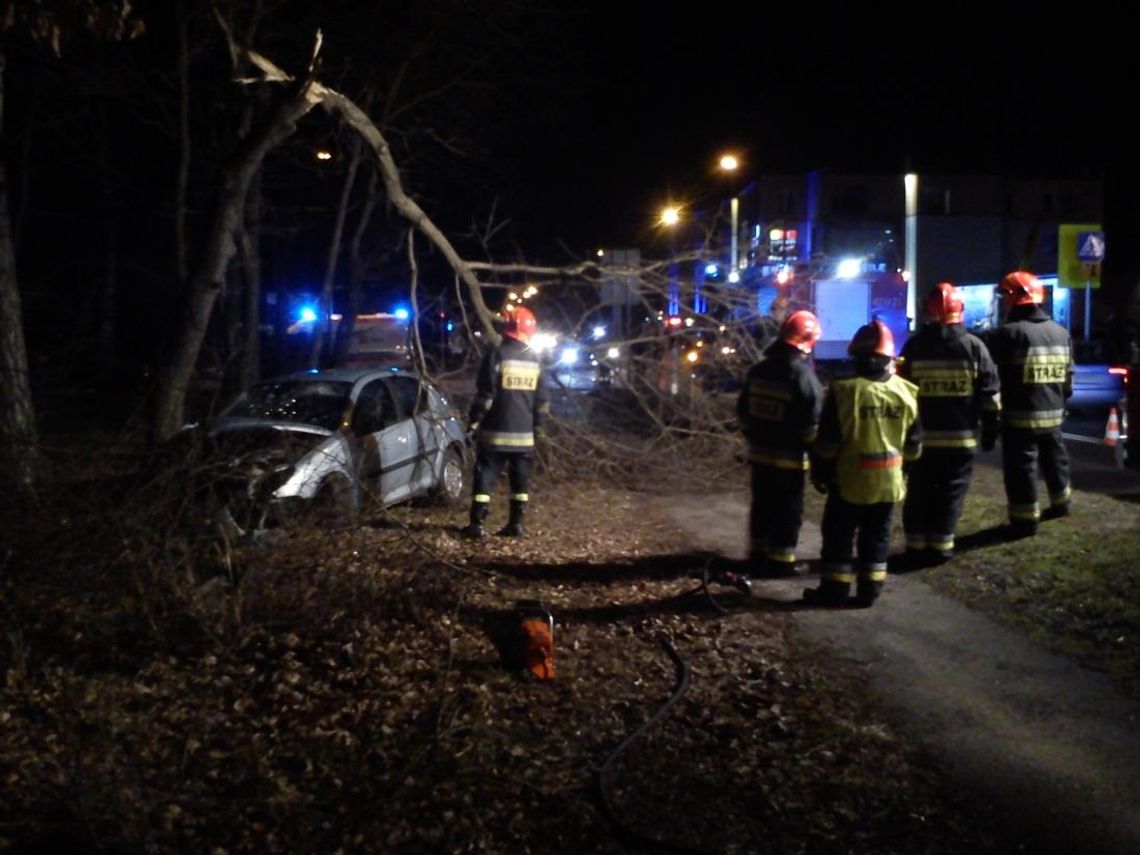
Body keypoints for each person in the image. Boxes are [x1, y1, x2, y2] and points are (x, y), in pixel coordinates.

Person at [806, 320, 922, 607]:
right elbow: (914, 446)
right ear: (889, 357)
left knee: (838, 537)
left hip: (849, 482)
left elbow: (828, 444)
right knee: (877, 537)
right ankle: (869, 591)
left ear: (857, 356)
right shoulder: (908, 391)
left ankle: (835, 591)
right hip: (888, 483)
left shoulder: (845, 391)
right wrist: (902, 470)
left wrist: (820, 471)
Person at [897, 282, 1001, 566]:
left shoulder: (914, 347)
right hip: (960, 441)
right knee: (949, 494)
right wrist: (991, 430)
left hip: (920, 442)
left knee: (918, 493)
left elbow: (899, 393)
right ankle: (941, 547)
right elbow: (991, 396)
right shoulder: (974, 347)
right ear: (960, 311)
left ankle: (916, 548)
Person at [736, 309, 824, 579]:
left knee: (761, 506)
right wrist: (819, 461)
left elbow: (743, 411)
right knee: (787, 511)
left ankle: (758, 555)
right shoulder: (804, 378)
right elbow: (811, 429)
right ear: (807, 342)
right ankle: (780, 562)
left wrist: (754, 437)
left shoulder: (759, 370)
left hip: (760, 457)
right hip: (789, 460)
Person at [987, 271, 1073, 537]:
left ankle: (1025, 520)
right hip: (1054, 414)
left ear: (1012, 299)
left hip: (1020, 416)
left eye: (1005, 297)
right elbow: (1068, 378)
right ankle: (1061, 503)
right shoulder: (1060, 333)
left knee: (1022, 468)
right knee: (1055, 461)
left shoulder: (1007, 334)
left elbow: (993, 378)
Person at [461, 304, 550, 539]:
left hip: (495, 434)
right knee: (519, 482)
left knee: (484, 477)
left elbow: (486, 396)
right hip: (525, 438)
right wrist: (539, 429)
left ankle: (477, 525)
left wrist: (472, 424)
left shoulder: (496, 354)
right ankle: (516, 524)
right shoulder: (535, 359)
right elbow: (541, 400)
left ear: (508, 328)